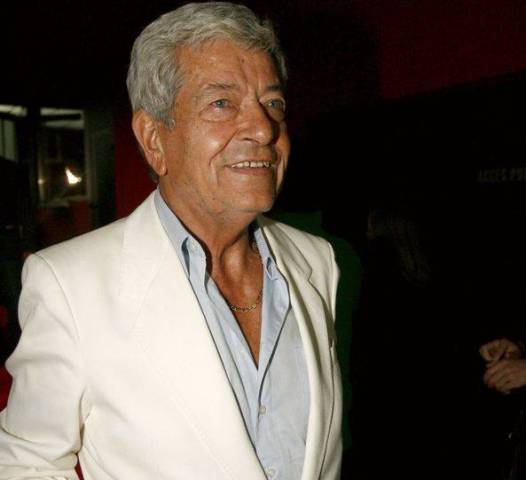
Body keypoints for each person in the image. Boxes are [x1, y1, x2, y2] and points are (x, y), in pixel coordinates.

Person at [0, 3, 343, 479]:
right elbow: (23, 464)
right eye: (222, 103)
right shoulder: (70, 285)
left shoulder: (315, 261)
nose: (263, 128)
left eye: (274, 103)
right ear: (153, 138)